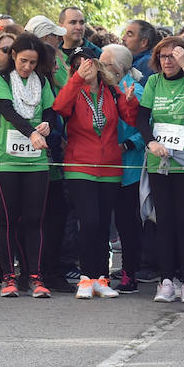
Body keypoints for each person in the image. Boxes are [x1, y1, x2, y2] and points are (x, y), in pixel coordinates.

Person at [54, 47, 138, 298]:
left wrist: (130, 100)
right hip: (80, 166)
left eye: (88, 62)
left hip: (110, 166)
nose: (85, 67)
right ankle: (85, 278)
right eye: (78, 64)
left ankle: (101, 278)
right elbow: (59, 108)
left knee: (102, 225)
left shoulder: (111, 90)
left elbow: (131, 119)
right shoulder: (73, 90)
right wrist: (77, 79)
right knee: (88, 221)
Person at [138, 36, 184, 304]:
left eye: (174, 56)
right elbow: (141, 117)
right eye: (163, 56)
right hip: (160, 163)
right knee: (164, 222)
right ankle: (166, 280)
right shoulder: (153, 83)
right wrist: (151, 142)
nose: (167, 61)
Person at [0, 33, 58, 298]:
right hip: (5, 160)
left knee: (34, 220)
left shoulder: (41, 80)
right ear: (13, 55)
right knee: (7, 219)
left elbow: (50, 109)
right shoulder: (0, 79)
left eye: (33, 62)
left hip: (35, 161)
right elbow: (7, 110)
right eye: (23, 60)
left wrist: (48, 124)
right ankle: (8, 276)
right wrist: (32, 133)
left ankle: (35, 276)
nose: (27, 67)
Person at [100, 43, 146, 292]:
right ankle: (103, 271)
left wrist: (128, 144)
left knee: (128, 224)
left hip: (129, 167)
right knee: (104, 220)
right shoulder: (104, 89)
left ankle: (130, 272)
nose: (99, 67)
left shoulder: (135, 90)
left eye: (104, 64)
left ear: (118, 68)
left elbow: (147, 126)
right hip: (105, 165)